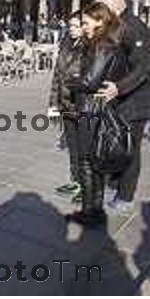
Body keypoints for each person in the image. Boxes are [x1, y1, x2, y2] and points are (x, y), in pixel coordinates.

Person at [65, 2, 127, 227]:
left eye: (85, 22)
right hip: (99, 108)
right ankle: (94, 211)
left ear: (100, 21)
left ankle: (89, 213)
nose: (83, 26)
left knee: (86, 162)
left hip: (91, 110)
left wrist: (71, 81)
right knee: (94, 161)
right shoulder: (109, 43)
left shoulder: (102, 46)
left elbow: (90, 81)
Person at [98, 0, 150, 215]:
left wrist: (118, 87)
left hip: (136, 102)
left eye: (103, 7)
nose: (100, 11)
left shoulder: (135, 27)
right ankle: (114, 184)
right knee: (116, 145)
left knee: (131, 149)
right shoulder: (115, 26)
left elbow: (143, 67)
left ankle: (125, 197)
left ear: (115, 7)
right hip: (118, 102)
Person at [48, 11, 84, 200]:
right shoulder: (66, 45)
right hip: (66, 105)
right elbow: (56, 77)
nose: (72, 29)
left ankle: (86, 188)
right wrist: (53, 105)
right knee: (72, 147)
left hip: (81, 106)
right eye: (70, 26)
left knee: (84, 149)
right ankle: (75, 181)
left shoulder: (90, 47)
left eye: (76, 26)